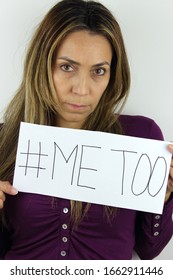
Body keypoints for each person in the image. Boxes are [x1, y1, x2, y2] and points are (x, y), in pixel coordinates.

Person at [0, 0, 173, 260]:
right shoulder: (4, 140)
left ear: (113, 74)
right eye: (67, 67)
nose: (81, 89)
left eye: (98, 71)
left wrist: (164, 198)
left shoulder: (142, 137)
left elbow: (149, 251)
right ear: (42, 66)